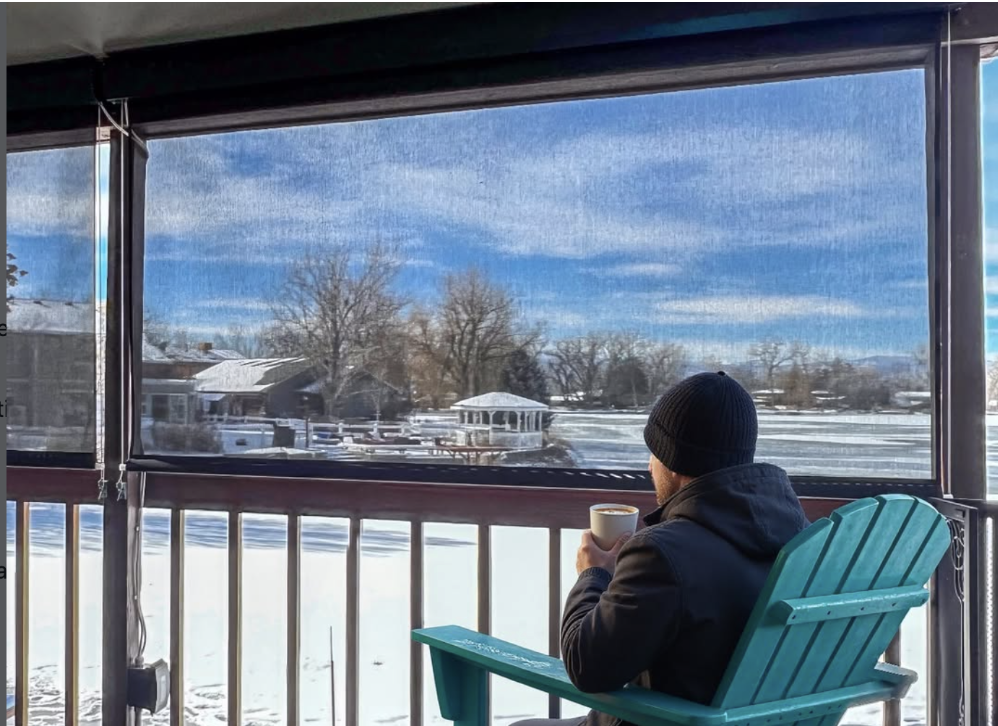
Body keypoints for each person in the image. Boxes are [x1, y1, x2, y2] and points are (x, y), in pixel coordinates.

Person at [515, 371, 809, 726]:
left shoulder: (663, 553)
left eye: (653, 452)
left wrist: (593, 575)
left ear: (672, 458)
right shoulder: (801, 540)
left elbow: (587, 668)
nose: (649, 465)